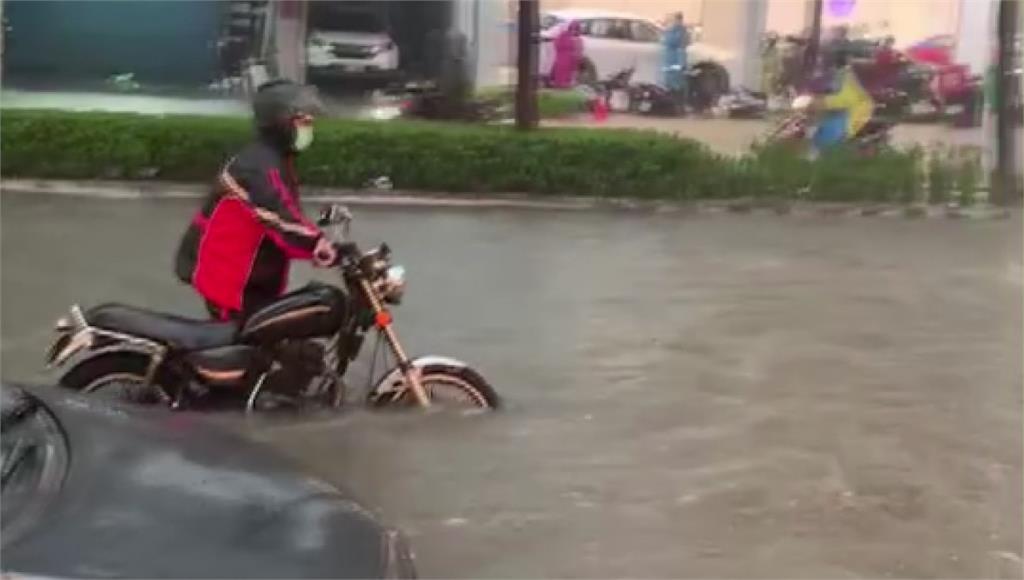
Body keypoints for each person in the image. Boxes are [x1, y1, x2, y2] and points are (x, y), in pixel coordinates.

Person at [174, 79, 343, 321]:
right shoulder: (260, 166)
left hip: (251, 275)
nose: (309, 125)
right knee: (242, 349)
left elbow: (285, 212)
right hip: (232, 279)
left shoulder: (275, 157)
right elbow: (280, 220)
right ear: (279, 123)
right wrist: (322, 246)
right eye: (302, 120)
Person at [810, 50, 875, 153]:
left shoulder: (844, 74)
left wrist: (823, 102)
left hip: (853, 114)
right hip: (849, 110)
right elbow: (830, 90)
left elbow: (846, 98)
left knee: (822, 142)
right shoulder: (844, 73)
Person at [661, 12, 690, 105]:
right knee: (674, 79)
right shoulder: (678, 30)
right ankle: (675, 100)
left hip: (675, 59)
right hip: (674, 59)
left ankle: (676, 101)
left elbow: (670, 42)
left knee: (676, 80)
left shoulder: (678, 30)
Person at [550, 20, 583, 88]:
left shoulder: (577, 39)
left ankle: (563, 87)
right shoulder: (564, 35)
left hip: (568, 60)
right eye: (573, 28)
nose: (574, 31)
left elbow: (579, 52)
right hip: (563, 59)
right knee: (561, 77)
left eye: (576, 29)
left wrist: (577, 60)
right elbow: (556, 45)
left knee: (567, 78)